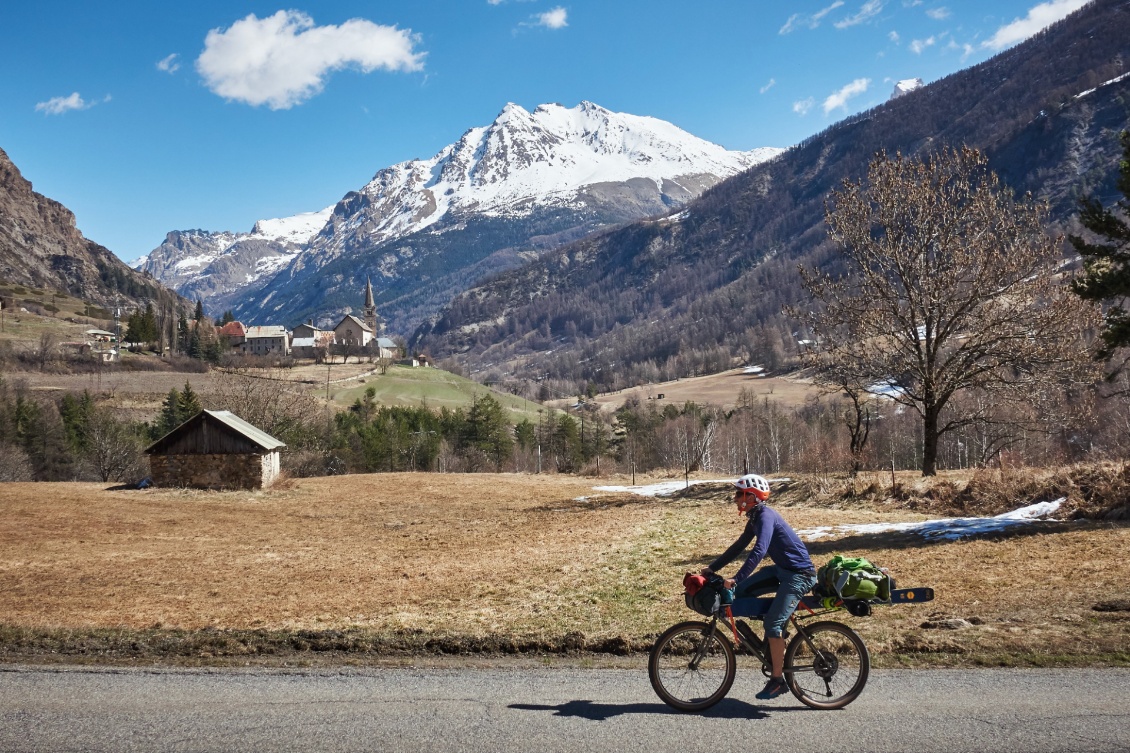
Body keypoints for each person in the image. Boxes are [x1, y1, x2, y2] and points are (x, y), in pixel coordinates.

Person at [701, 473, 817, 701]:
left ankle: (777, 680)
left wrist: (737, 577)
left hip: (799, 576)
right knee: (740, 594)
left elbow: (759, 550)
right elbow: (738, 547)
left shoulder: (765, 516)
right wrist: (712, 568)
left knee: (772, 621)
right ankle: (770, 642)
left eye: (738, 494)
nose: (735, 498)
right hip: (782, 571)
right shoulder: (755, 517)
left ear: (751, 497)